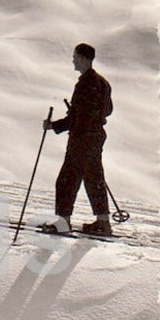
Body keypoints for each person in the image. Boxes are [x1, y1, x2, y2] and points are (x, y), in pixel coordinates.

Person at [40, 43, 114, 236]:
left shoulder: (84, 85)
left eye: (75, 57)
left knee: (66, 180)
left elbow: (77, 119)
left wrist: (53, 125)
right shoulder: (102, 82)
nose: (73, 60)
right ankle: (103, 222)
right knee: (94, 178)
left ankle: (63, 223)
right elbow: (108, 110)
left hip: (82, 140)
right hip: (96, 138)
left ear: (83, 58)